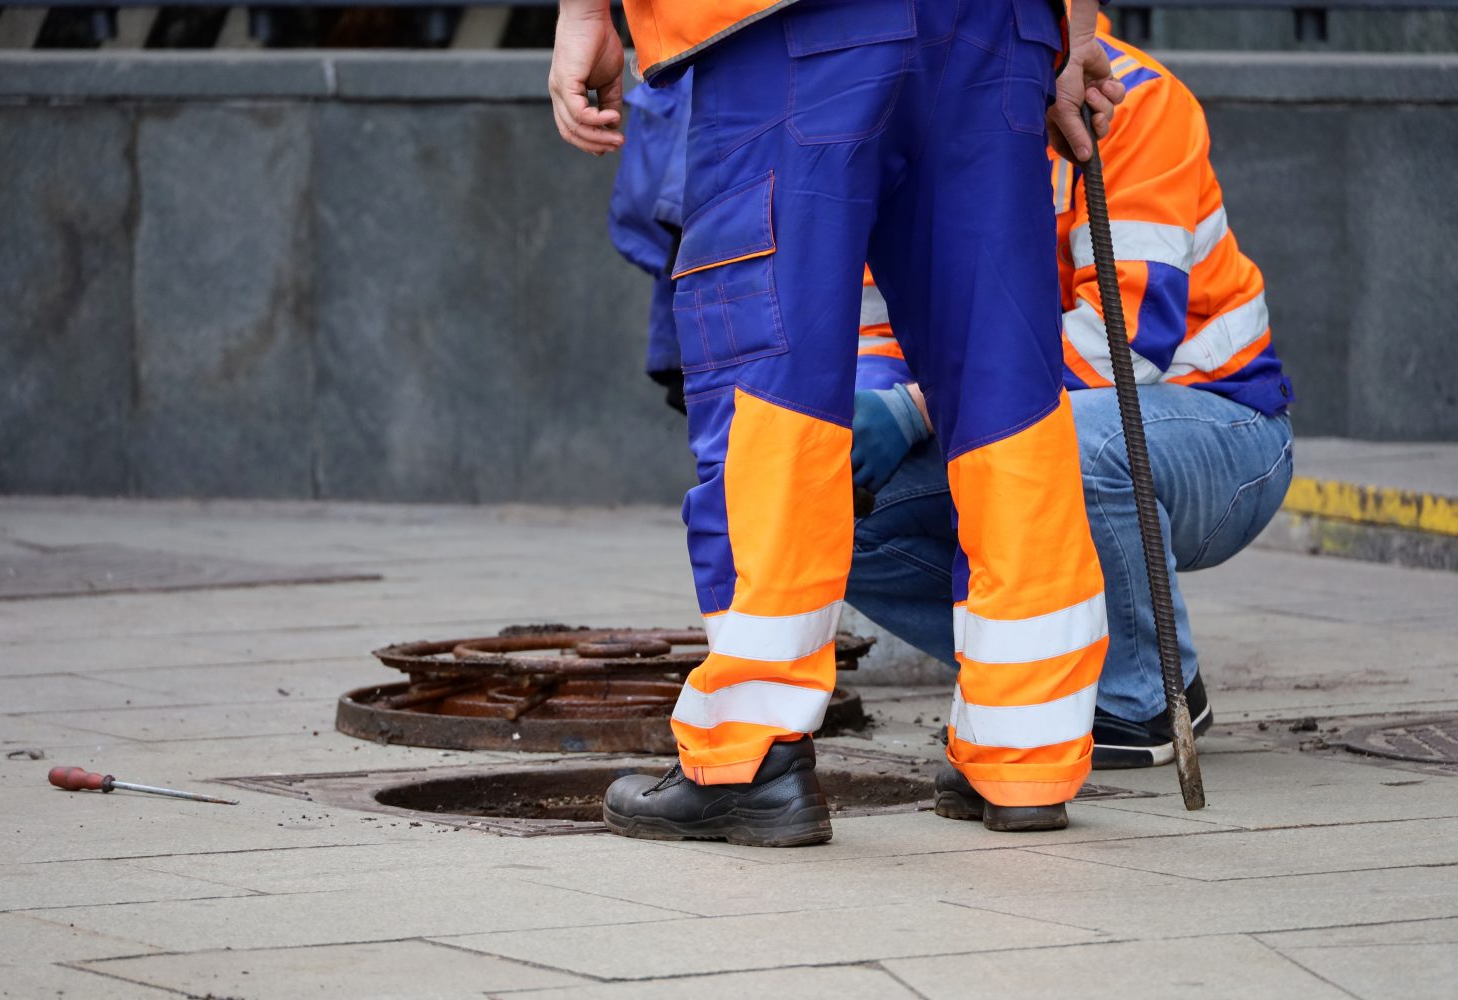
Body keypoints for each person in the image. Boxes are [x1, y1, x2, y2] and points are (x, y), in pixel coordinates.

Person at [552, 0, 1125, 845]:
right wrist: (1073, 31)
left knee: (772, 379)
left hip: (791, 26)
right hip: (992, 23)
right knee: (1005, 382)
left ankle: (751, 755)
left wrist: (581, 13)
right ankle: (1023, 751)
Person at [845, 22, 1296, 776]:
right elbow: (882, 323)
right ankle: (1040, 675)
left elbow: (1126, 345)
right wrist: (862, 421)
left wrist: (918, 410)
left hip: (1219, 427)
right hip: (1021, 414)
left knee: (1070, 440)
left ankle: (1147, 694)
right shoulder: (913, 104)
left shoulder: (1134, 100)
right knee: (833, 505)